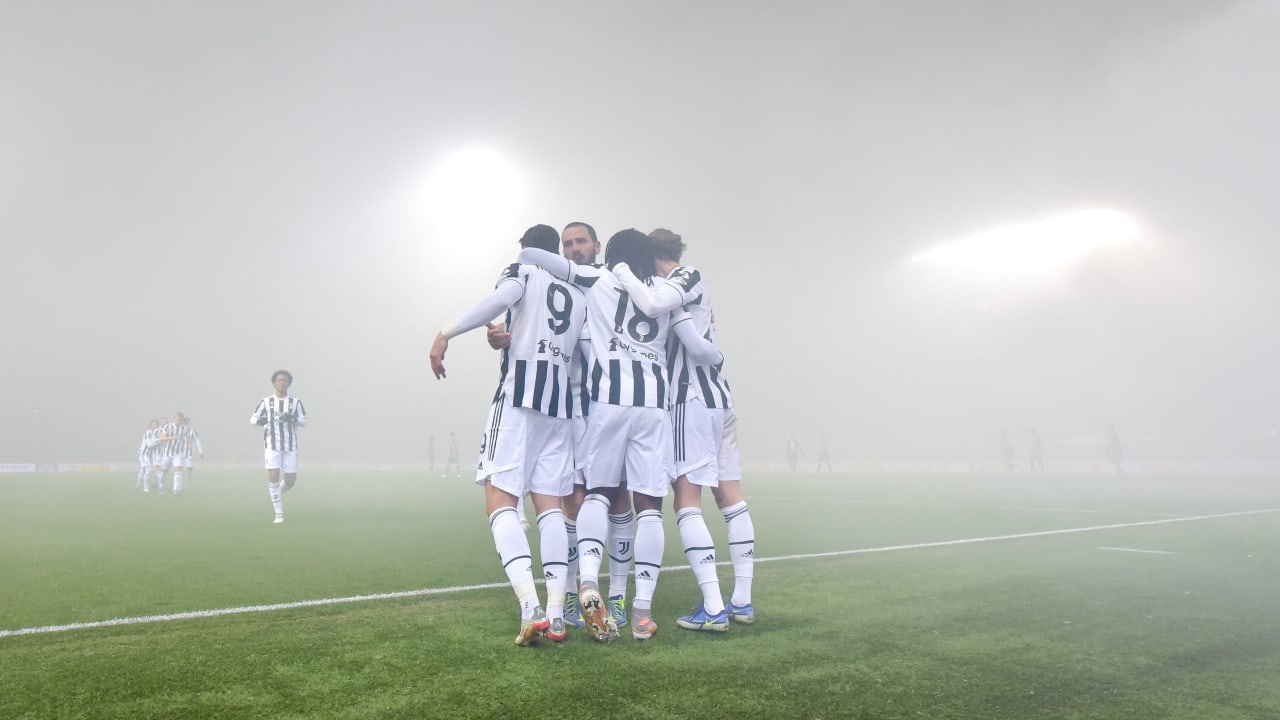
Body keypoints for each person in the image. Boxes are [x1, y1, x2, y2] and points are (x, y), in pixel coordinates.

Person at [518, 228, 724, 642]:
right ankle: (642, 612)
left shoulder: (598, 278)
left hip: (608, 402)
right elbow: (693, 340)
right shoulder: (663, 292)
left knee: (597, 493)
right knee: (649, 507)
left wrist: (527, 257)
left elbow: (543, 259)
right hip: (654, 406)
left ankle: (587, 580)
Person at [430, 223, 586, 646]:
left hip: (519, 399)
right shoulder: (577, 292)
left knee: (500, 499)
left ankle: (530, 607)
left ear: (525, 249)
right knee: (550, 508)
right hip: (560, 408)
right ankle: (557, 614)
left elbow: (502, 297)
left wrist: (445, 333)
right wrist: (504, 336)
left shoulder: (523, 270)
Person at [488, 221, 635, 633]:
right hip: (565, 411)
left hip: (602, 406)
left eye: (581, 241)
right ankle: (571, 592)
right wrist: (501, 337)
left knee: (615, 495)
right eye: (568, 244)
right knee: (569, 500)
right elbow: (522, 332)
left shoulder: (604, 282)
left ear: (596, 246)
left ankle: (616, 594)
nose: (574, 249)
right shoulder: (557, 283)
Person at [249, 370, 307, 524]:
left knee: (290, 481)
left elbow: (303, 421)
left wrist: (293, 419)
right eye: (279, 380)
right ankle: (279, 513)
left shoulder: (295, 402)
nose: (282, 382)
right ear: (274, 383)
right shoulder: (265, 402)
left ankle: (274, 494)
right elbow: (252, 419)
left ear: (289, 383)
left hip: (290, 445)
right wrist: (260, 421)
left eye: (285, 380)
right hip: (271, 444)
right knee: (274, 475)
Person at [137, 420, 161, 491]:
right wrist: (159, 440)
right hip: (143, 453)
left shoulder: (157, 433)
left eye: (156, 424)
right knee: (147, 468)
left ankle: (138, 485)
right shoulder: (147, 433)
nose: (154, 426)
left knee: (144, 469)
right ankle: (145, 487)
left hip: (150, 454)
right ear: (150, 426)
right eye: (153, 424)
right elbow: (150, 445)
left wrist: (158, 440)